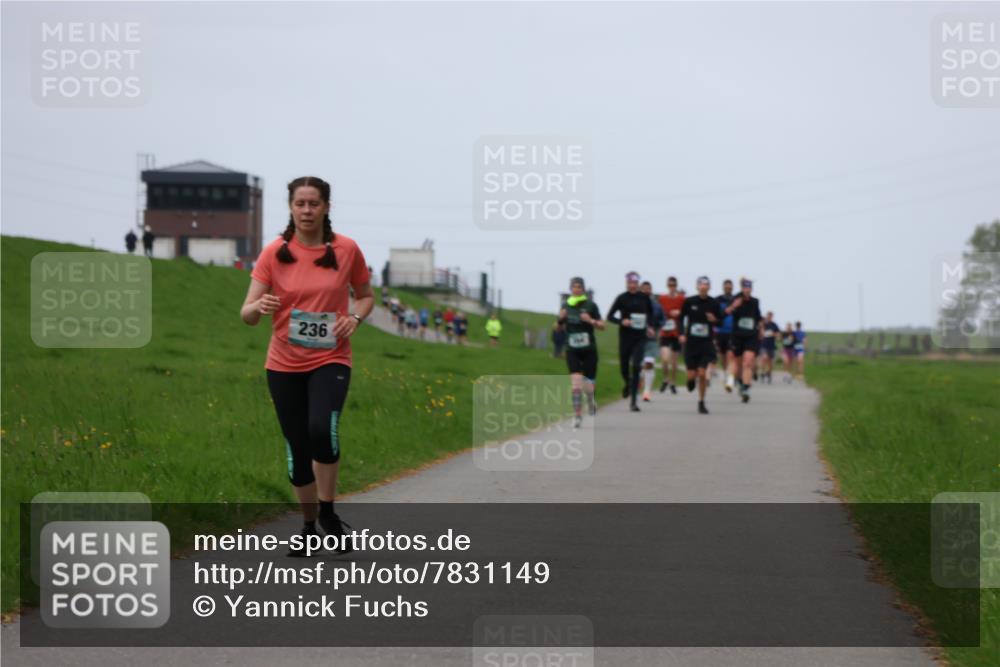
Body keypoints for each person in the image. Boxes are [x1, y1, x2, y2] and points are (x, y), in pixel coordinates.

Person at [240, 175, 373, 557]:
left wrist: (355, 318)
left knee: (321, 430)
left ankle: (329, 513)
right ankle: (308, 526)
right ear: (291, 207)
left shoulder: (347, 250)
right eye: (300, 204)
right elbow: (246, 313)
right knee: (297, 449)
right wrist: (258, 307)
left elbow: (365, 297)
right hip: (283, 364)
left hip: (331, 358)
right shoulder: (274, 253)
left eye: (314, 203)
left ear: (326, 207)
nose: (307, 210)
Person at [558, 277, 604, 428]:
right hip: (572, 349)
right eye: (574, 287)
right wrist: (560, 319)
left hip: (589, 349)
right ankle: (577, 414)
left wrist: (590, 320)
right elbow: (557, 328)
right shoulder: (566, 306)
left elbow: (602, 326)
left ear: (583, 289)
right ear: (571, 289)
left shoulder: (591, 305)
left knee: (589, 383)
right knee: (576, 383)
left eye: (579, 287)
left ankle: (590, 400)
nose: (576, 289)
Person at [606, 271, 655, 412]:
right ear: (626, 283)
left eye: (635, 283)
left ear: (638, 284)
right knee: (624, 367)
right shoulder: (621, 298)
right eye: (630, 283)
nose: (632, 285)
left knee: (636, 366)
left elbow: (651, 313)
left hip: (640, 338)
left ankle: (633, 402)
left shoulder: (644, 298)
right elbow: (609, 316)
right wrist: (622, 321)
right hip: (625, 337)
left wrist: (650, 326)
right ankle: (627, 383)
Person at [679, 276, 719, 414]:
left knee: (702, 373)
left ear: (709, 287)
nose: (703, 287)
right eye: (701, 284)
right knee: (691, 375)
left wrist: (714, 319)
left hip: (706, 344)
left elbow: (720, 321)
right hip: (691, 343)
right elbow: (680, 318)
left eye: (706, 285)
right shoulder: (690, 301)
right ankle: (690, 381)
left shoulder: (714, 303)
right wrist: (681, 334)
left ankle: (701, 402)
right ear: (697, 287)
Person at [723, 278, 762, 403]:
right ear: (742, 288)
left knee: (748, 362)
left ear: (751, 289)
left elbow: (758, 317)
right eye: (745, 288)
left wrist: (761, 328)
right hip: (737, 336)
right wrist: (734, 306)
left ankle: (746, 388)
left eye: (749, 288)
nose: (747, 290)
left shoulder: (755, 302)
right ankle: (731, 381)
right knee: (736, 362)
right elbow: (725, 312)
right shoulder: (735, 299)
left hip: (751, 336)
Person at [657, 276, 685, 394]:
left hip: (676, 333)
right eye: (670, 285)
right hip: (665, 332)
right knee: (664, 358)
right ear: (667, 286)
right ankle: (666, 379)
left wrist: (680, 313)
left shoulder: (681, 299)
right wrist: (668, 313)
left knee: (674, 361)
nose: (672, 287)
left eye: (674, 285)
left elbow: (685, 313)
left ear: (676, 286)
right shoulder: (662, 298)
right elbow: (658, 312)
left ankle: (673, 382)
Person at [639, 281, 666, 402]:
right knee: (639, 365)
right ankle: (639, 380)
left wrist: (656, 328)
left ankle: (647, 391)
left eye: (648, 288)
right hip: (636, 338)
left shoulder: (656, 305)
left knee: (649, 363)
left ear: (651, 290)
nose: (646, 290)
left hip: (651, 339)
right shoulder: (635, 303)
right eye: (643, 288)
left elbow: (663, 320)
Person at [715, 279, 736, 391]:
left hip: (732, 332)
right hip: (720, 332)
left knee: (730, 355)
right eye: (726, 286)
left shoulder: (736, 300)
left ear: (732, 288)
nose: (728, 288)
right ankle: (725, 372)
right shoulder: (718, 300)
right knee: (722, 356)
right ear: (723, 287)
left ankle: (730, 379)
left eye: (730, 286)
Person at [759, 311, 780, 383]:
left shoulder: (774, 325)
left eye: (771, 316)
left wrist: (772, 334)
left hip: (772, 346)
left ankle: (769, 374)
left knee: (770, 362)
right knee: (764, 358)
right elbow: (760, 333)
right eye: (768, 316)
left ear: (772, 317)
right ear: (767, 316)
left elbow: (778, 335)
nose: (769, 317)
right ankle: (762, 373)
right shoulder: (763, 324)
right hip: (763, 345)